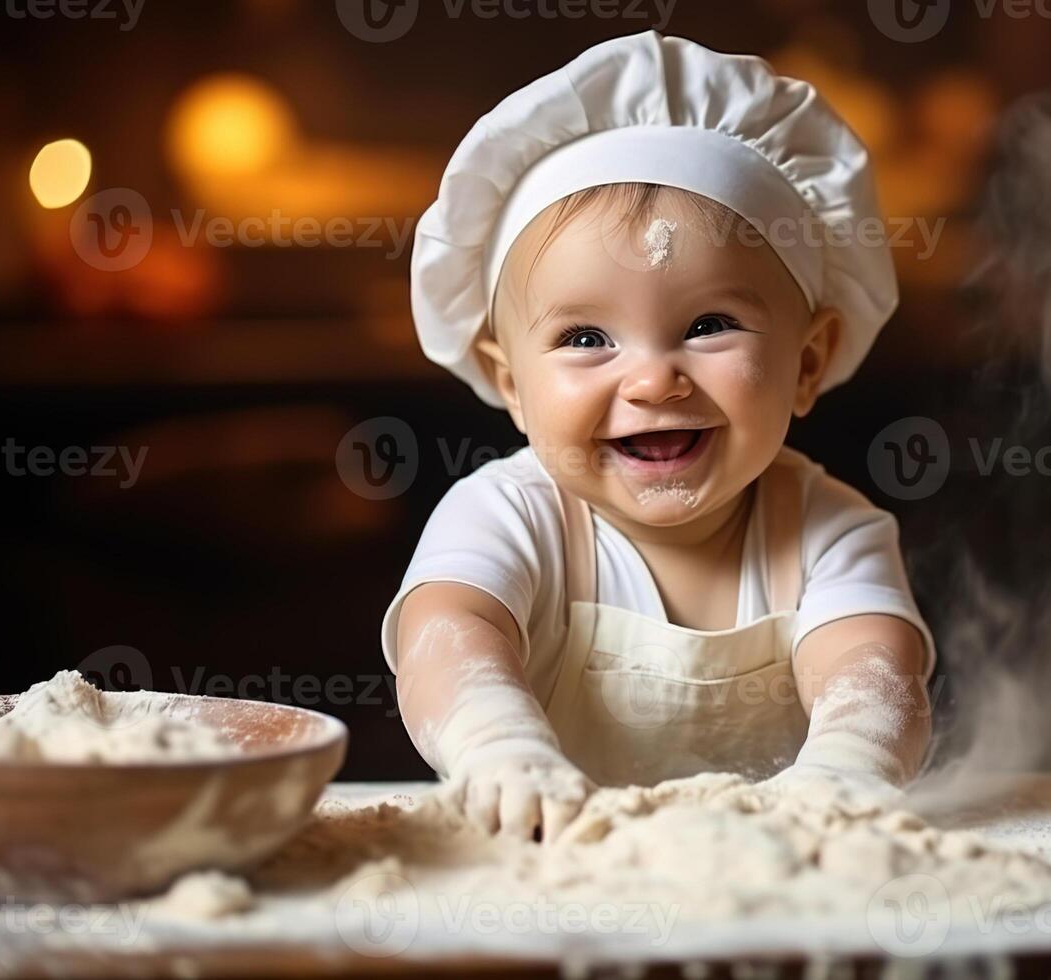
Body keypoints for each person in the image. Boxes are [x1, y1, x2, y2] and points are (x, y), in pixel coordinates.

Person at [384, 31, 935, 841]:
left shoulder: (830, 532)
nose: (651, 381)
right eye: (584, 338)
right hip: (548, 888)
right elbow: (445, 634)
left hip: (765, 889)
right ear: (511, 384)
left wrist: (846, 772)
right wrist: (497, 745)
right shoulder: (510, 514)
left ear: (807, 360)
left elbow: (874, 672)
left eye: (709, 325)